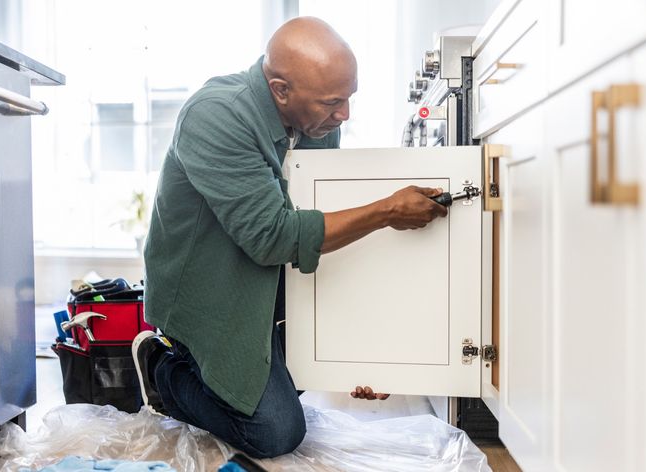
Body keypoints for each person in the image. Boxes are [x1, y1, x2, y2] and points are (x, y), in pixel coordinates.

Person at [132, 16, 448, 459]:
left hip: (269, 284)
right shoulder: (216, 115)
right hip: (209, 291)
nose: (344, 115)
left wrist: (363, 357)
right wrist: (386, 210)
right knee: (274, 432)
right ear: (280, 89)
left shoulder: (318, 126)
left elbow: (317, 228)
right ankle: (164, 371)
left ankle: (253, 368)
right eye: (332, 102)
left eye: (349, 98)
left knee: (296, 389)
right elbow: (274, 239)